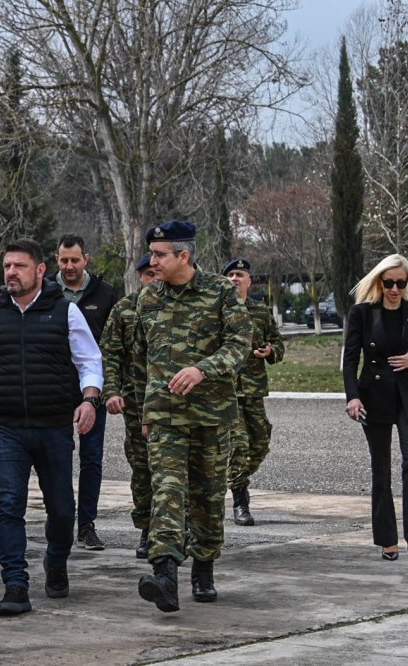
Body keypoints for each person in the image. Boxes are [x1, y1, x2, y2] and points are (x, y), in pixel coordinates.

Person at [0, 238, 103, 616]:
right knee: (8, 505)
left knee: (61, 508)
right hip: (6, 428)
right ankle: (15, 584)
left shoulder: (66, 312)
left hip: (54, 426)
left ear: (40, 270)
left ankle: (56, 560)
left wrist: (89, 400)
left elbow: (90, 361)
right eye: (7, 266)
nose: (11, 272)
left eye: (19, 266)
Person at [133, 221, 251, 613]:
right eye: (151, 253)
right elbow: (142, 359)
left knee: (208, 496)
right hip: (165, 416)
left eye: (160, 254)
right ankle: (165, 573)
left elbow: (239, 345)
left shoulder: (221, 293)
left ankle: (204, 567)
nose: (153, 261)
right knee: (167, 491)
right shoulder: (147, 298)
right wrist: (145, 410)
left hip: (212, 415)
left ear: (184, 255)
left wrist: (204, 368)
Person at [343, 254, 408, 562]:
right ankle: (387, 539)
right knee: (381, 470)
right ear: (379, 282)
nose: (394, 289)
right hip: (374, 397)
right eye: (389, 283)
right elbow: (350, 359)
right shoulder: (362, 313)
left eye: (401, 282)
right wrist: (352, 397)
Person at [54, 234, 118, 550]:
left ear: (86, 259)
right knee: (59, 457)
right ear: (56, 261)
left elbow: (115, 344)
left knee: (91, 459)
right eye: (64, 260)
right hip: (54, 389)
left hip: (93, 391)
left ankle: (87, 525)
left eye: (75, 260)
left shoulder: (105, 294)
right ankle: (62, 521)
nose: (69, 266)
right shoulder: (46, 294)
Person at [101, 253, 157, 559]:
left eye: (157, 273)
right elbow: (109, 354)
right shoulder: (124, 310)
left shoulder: (179, 307)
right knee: (142, 468)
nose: (154, 279)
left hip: (178, 403)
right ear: (140, 277)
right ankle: (147, 527)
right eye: (148, 274)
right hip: (137, 403)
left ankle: (181, 526)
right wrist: (111, 391)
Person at [222, 258, 285, 526]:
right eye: (231, 275)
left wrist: (270, 351)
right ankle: (240, 501)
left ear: (250, 280)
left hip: (254, 389)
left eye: (240, 274)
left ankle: (228, 480)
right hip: (226, 390)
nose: (235, 278)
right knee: (239, 445)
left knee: (260, 443)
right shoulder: (217, 309)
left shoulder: (260, 311)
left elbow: (278, 343)